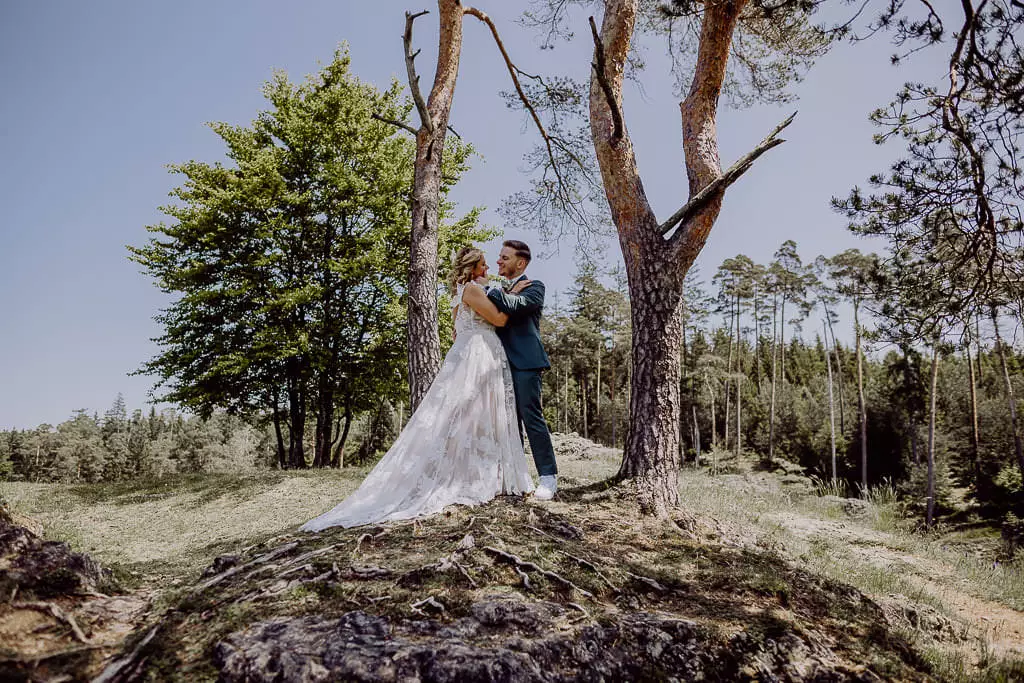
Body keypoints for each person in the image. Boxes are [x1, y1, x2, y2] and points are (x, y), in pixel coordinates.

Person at [301, 247, 534, 531]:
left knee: (476, 415)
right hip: (478, 352)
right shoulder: (473, 290)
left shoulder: (460, 293)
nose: (488, 269)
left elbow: (455, 331)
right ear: (472, 269)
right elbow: (499, 320)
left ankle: (481, 472)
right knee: (473, 412)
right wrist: (510, 296)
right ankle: (470, 477)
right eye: (483, 265)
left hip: (474, 351)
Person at [487, 240, 559, 500]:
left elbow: (515, 307)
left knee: (531, 418)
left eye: (504, 258)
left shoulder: (534, 287)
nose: (499, 262)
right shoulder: (499, 290)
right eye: (499, 257)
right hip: (495, 365)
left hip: (526, 363)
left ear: (521, 263)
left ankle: (548, 478)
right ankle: (514, 477)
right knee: (505, 422)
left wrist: (498, 292)